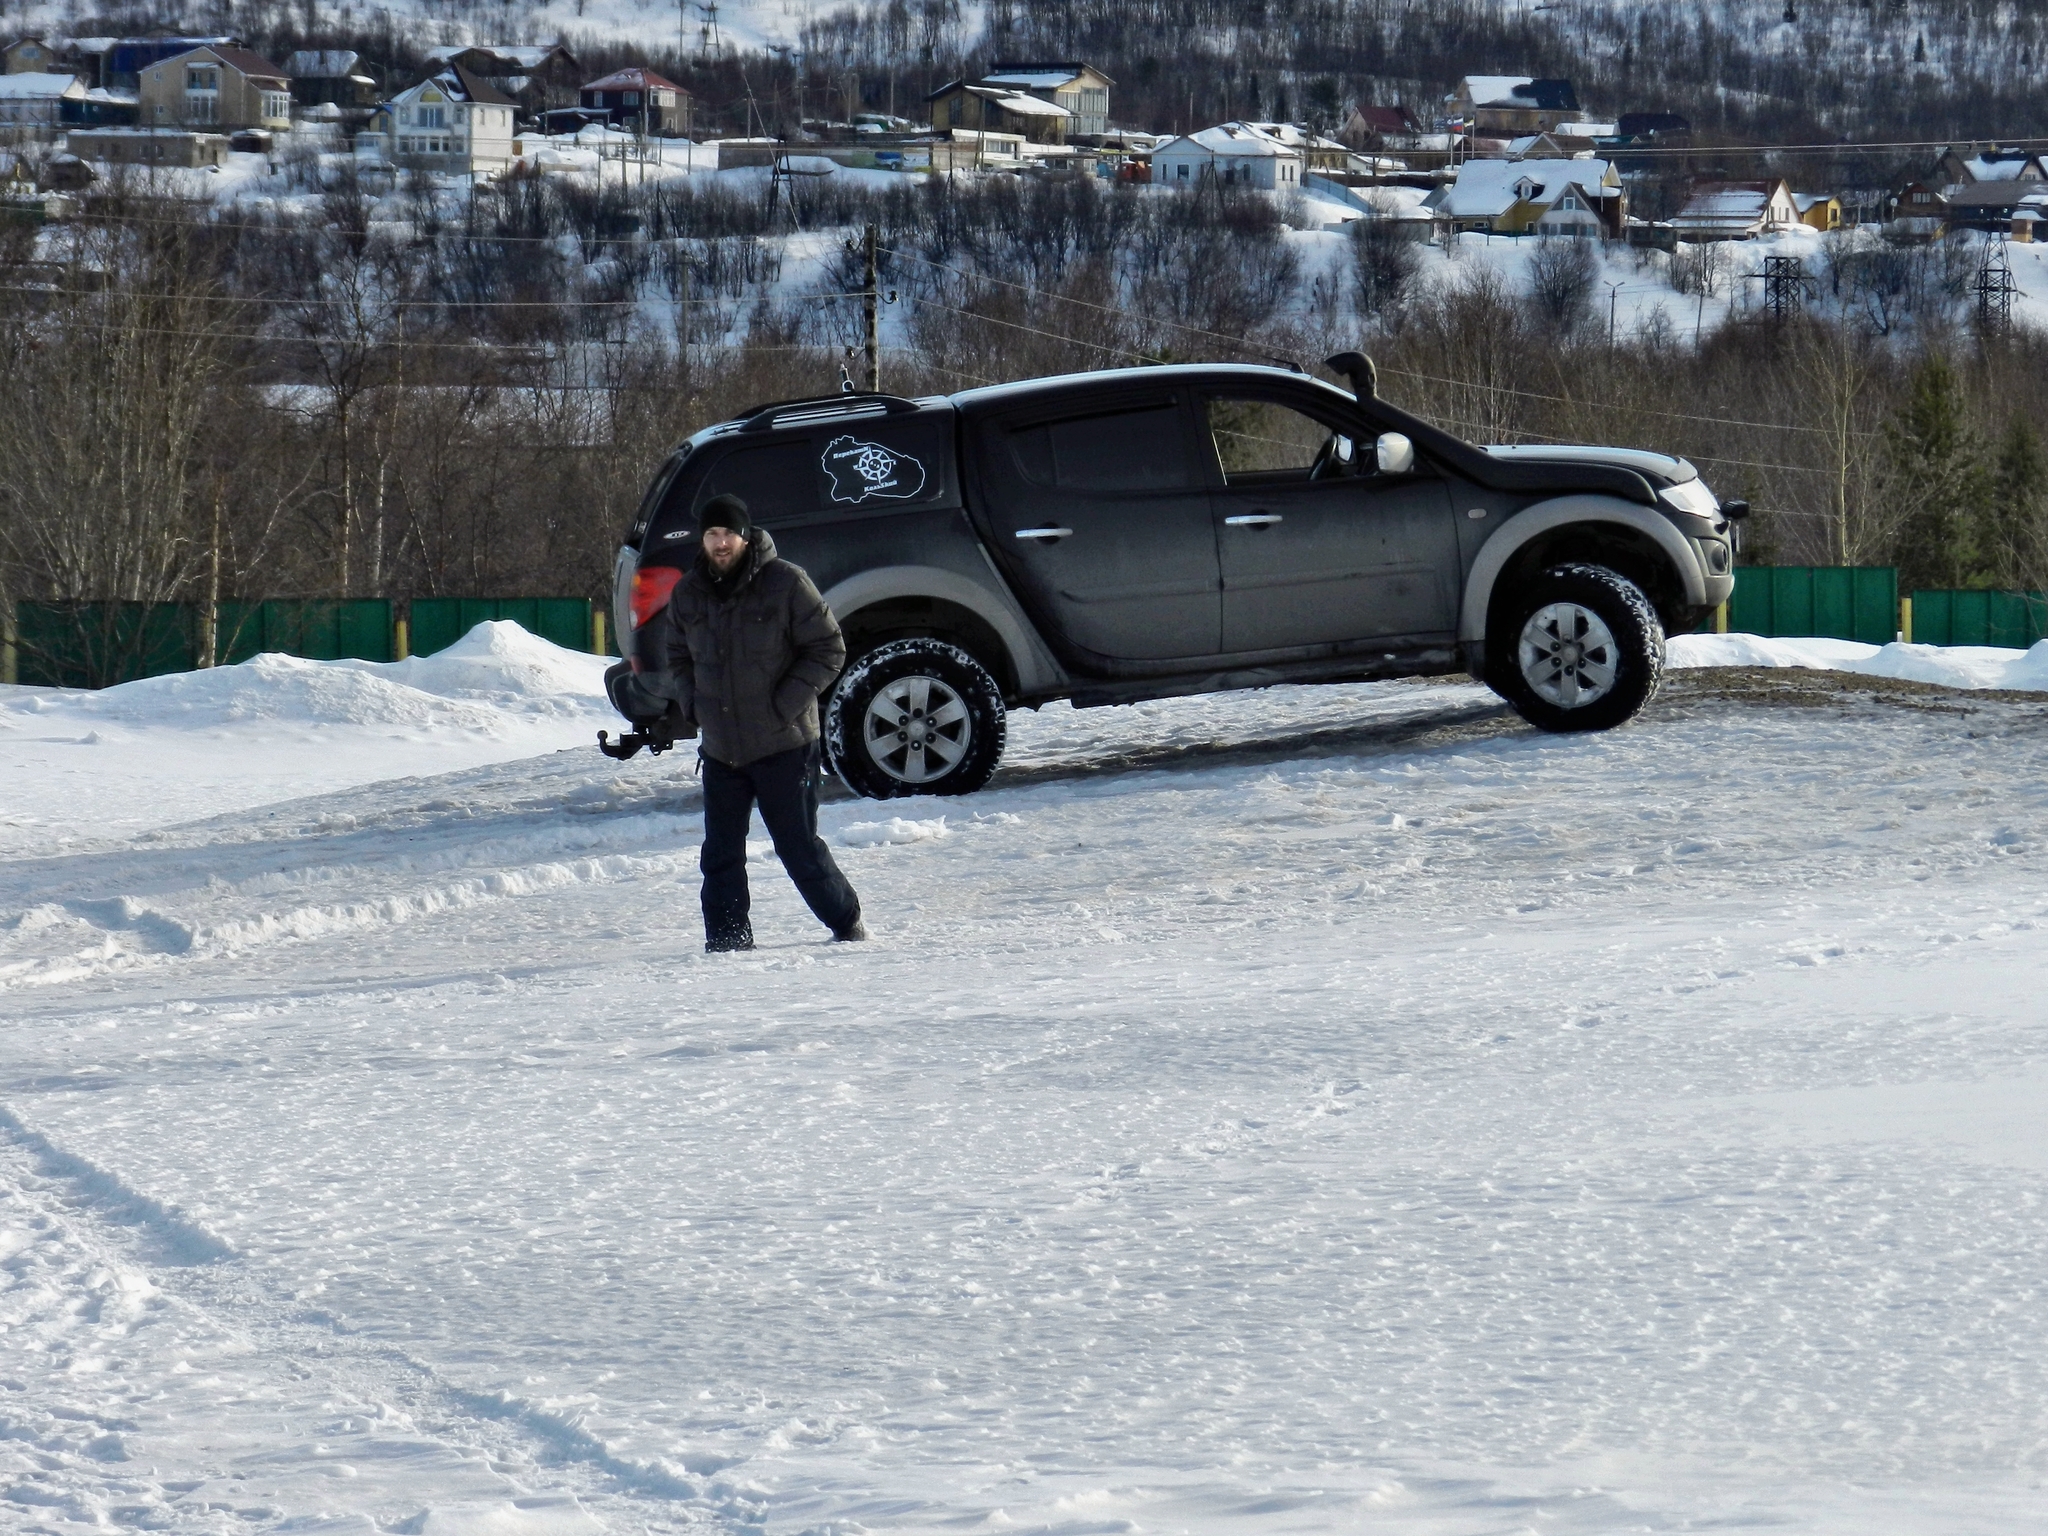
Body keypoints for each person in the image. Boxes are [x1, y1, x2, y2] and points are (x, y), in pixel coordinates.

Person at [649, 493, 866, 952]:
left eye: (728, 533)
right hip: (722, 750)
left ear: (745, 536)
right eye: (712, 534)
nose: (721, 542)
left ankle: (847, 922)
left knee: (798, 849)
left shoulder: (786, 582)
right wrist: (694, 708)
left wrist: (783, 705)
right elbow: (677, 656)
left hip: (784, 745)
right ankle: (728, 941)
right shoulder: (689, 593)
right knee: (721, 855)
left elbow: (829, 648)